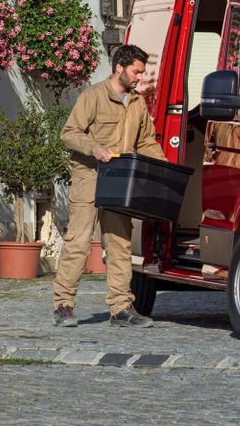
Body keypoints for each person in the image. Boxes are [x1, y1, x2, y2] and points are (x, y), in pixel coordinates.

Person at [52, 44, 166, 328]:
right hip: (89, 176)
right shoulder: (93, 96)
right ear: (119, 68)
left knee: (120, 243)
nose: (140, 77)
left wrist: (165, 170)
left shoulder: (138, 103)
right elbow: (69, 133)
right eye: (136, 71)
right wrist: (95, 148)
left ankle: (120, 308)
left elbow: (146, 142)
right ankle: (63, 305)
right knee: (78, 242)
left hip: (121, 181)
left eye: (142, 72)